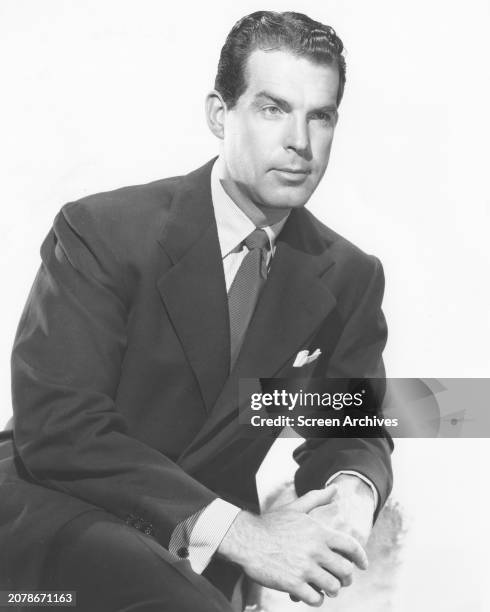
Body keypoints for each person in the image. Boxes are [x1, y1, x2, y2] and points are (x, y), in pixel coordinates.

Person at [0, 10, 393, 612]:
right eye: (273, 108)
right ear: (219, 114)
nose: (301, 142)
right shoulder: (102, 231)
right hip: (60, 524)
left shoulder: (348, 275)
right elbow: (62, 430)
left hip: (195, 554)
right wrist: (244, 535)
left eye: (321, 115)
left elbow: (347, 420)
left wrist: (352, 493)